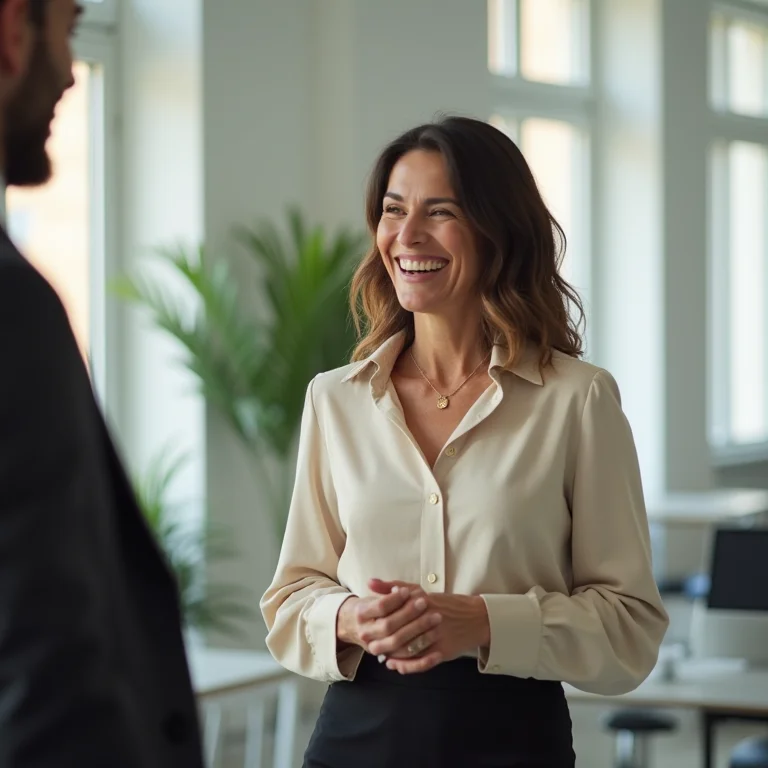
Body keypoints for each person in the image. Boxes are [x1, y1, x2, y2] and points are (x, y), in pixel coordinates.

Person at [261, 115, 669, 768]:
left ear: (497, 230)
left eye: (440, 212)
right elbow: (289, 599)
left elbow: (629, 629)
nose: (407, 235)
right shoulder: (335, 399)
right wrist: (351, 617)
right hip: (354, 742)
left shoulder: (577, 400)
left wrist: (480, 621)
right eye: (394, 210)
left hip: (513, 744)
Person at [0, 1, 205, 765]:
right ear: (12, 30)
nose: (70, 74)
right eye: (70, 26)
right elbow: (47, 678)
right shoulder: (11, 306)